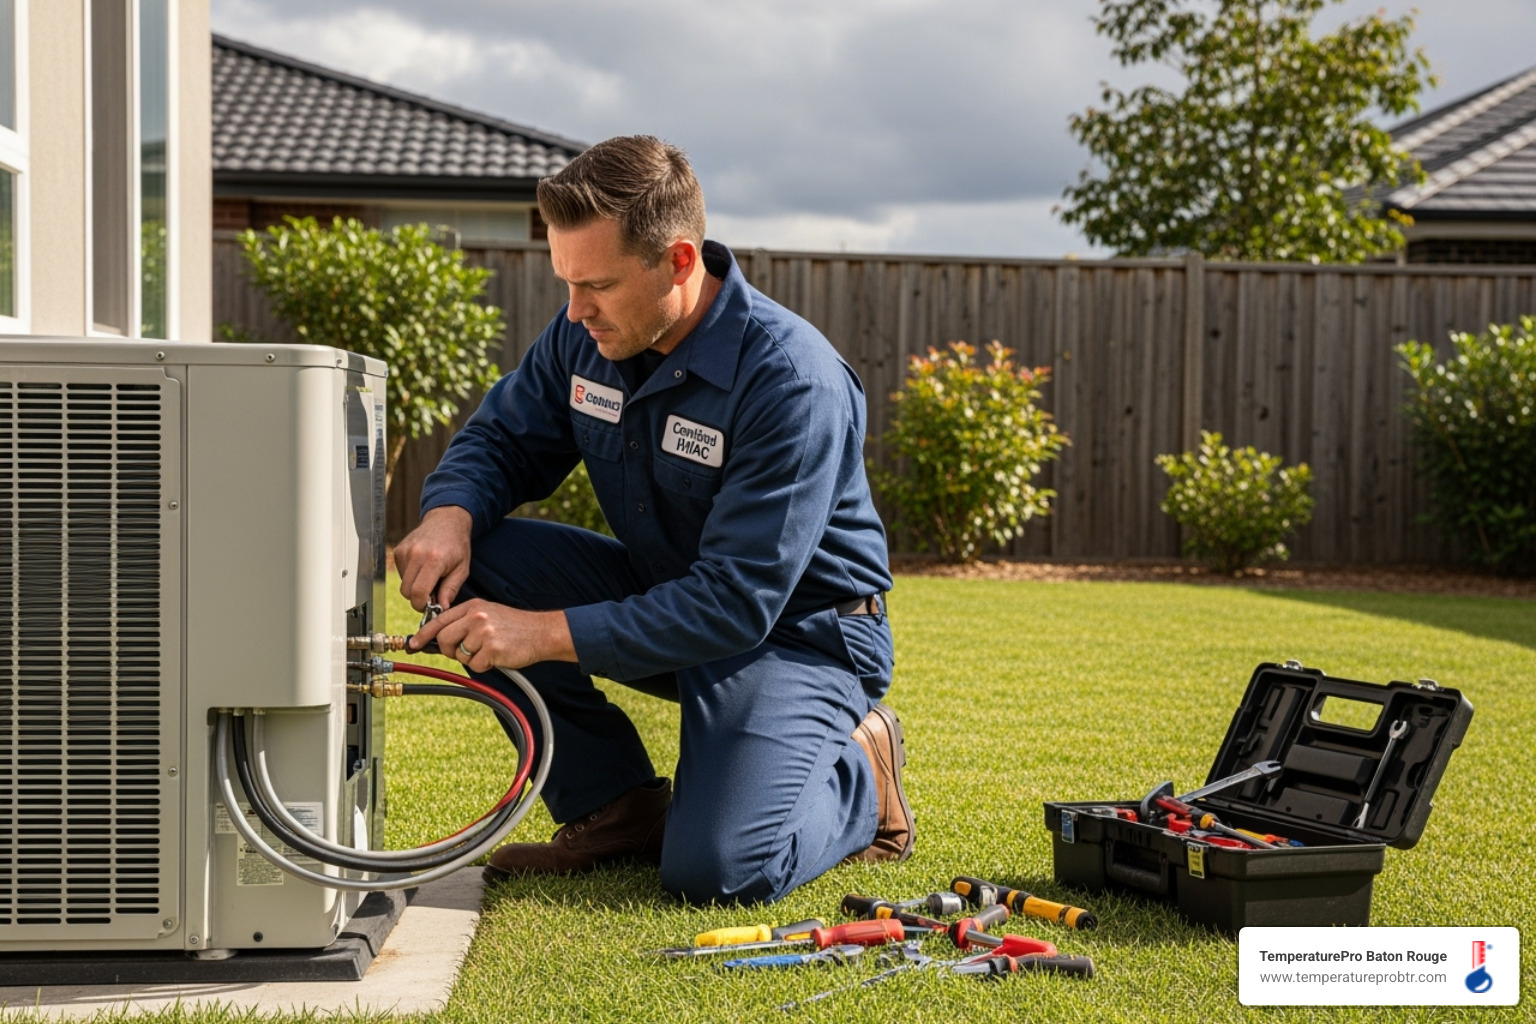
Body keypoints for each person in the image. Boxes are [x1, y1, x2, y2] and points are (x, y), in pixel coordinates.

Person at [397, 135, 911, 905]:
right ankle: (615, 807)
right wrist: (449, 514)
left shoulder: (791, 382)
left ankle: (864, 777)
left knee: (720, 871)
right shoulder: (586, 337)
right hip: (665, 591)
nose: (576, 310)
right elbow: (503, 438)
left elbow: (735, 603)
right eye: (567, 282)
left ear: (678, 261)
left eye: (598, 284)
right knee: (480, 560)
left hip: (798, 635)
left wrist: (542, 633)